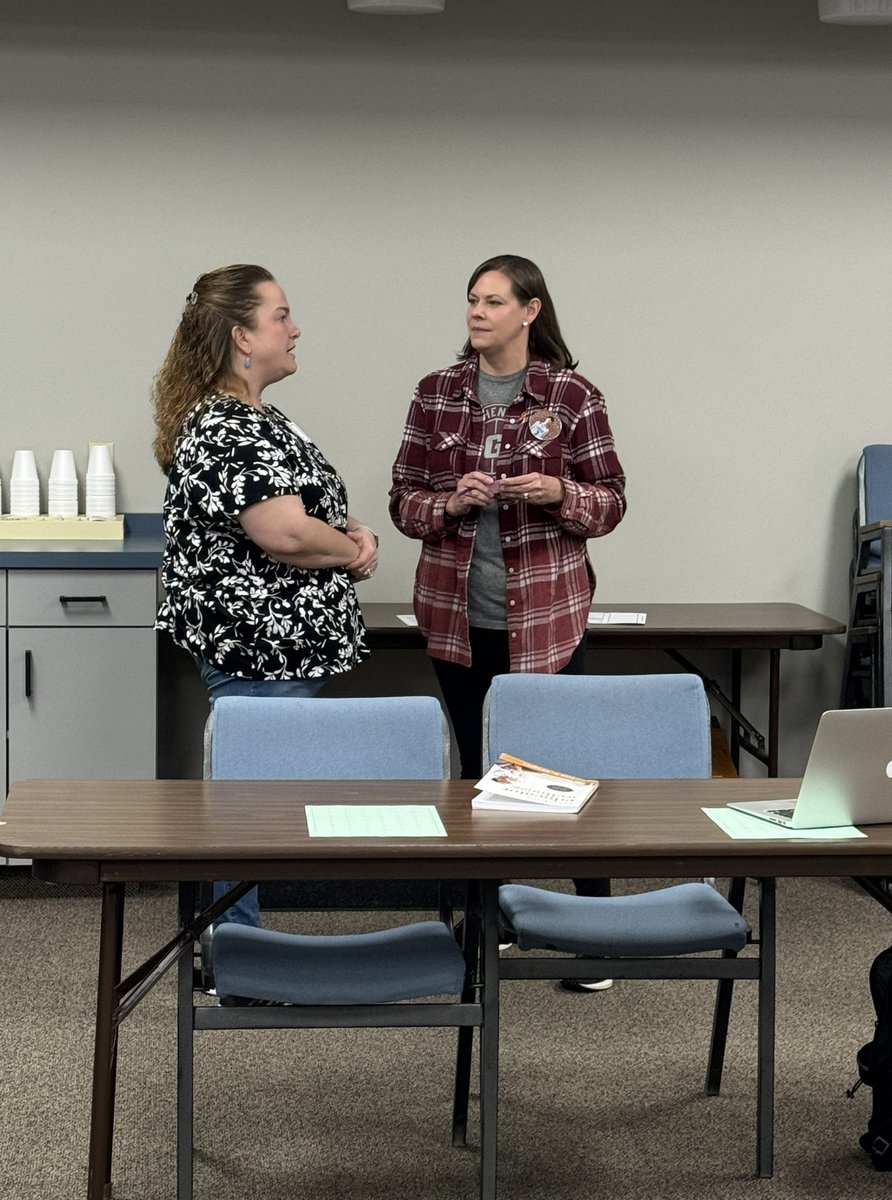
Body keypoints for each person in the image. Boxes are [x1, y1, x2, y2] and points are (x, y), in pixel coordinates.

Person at [389, 254, 626, 990]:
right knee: (473, 780)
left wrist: (559, 491)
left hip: (548, 623)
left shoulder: (573, 394)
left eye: (493, 301)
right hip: (459, 620)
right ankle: (477, 934)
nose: (477, 313)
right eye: (471, 300)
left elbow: (611, 500)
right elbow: (404, 503)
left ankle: (592, 936)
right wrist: (452, 503)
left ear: (530, 311)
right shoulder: (436, 394)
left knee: (558, 779)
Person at [152, 263, 379, 943]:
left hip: (276, 649)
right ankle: (234, 949)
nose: (295, 327)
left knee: (249, 792)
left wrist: (346, 533)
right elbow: (281, 532)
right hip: (259, 649)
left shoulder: (258, 418)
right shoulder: (229, 427)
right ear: (240, 337)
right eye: (280, 315)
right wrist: (354, 550)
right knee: (250, 801)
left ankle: (230, 944)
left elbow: (302, 512)